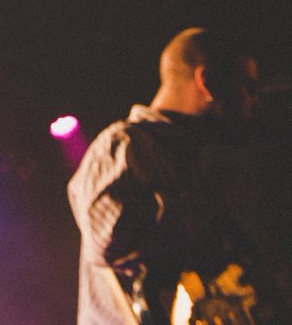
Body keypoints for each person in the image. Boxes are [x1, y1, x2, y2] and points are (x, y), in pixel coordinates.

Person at [67, 27, 276, 325]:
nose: (253, 102)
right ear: (206, 82)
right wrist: (204, 203)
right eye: (247, 87)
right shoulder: (126, 143)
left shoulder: (190, 158)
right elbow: (108, 241)